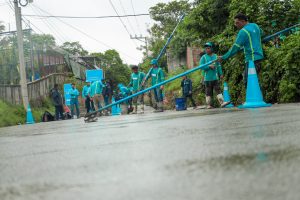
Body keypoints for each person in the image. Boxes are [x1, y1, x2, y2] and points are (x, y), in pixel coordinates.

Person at [218, 13, 264, 87]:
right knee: (254, 81)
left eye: (237, 23)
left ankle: (253, 98)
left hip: (251, 60)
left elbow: (235, 48)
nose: (236, 25)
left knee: (248, 83)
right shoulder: (255, 26)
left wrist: (223, 57)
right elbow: (261, 34)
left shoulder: (243, 31)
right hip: (259, 58)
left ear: (243, 21)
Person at [200, 42, 230, 108]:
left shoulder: (216, 56)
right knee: (208, 92)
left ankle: (222, 103)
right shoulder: (203, 57)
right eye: (206, 48)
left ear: (212, 49)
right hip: (207, 78)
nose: (207, 50)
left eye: (208, 48)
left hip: (215, 77)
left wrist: (221, 74)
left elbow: (219, 66)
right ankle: (209, 105)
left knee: (218, 90)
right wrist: (209, 66)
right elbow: (201, 66)